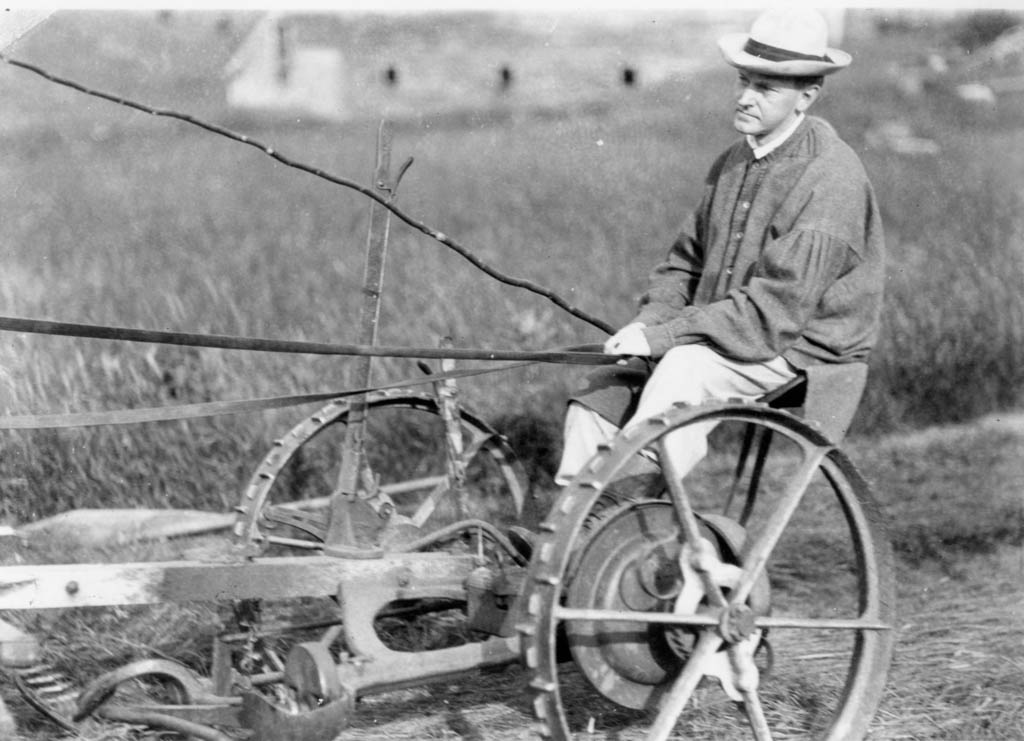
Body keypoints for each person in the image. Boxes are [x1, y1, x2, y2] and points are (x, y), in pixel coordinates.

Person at [554, 7, 886, 491]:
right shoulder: (734, 161)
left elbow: (772, 318)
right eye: (743, 81)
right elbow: (683, 265)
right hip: (729, 329)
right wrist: (648, 326)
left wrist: (669, 339)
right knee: (604, 387)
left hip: (799, 348)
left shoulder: (830, 179)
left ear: (807, 96)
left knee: (686, 370)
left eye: (765, 88)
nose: (746, 98)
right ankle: (569, 523)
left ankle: (622, 512)